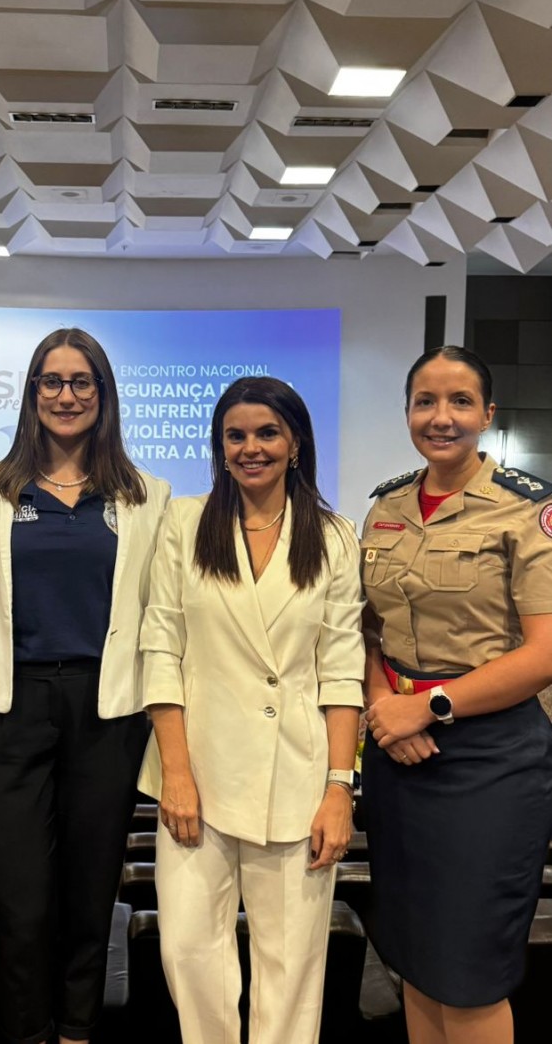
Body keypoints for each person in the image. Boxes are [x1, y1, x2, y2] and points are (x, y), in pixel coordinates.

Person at [0, 327, 170, 1044]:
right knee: (15, 900)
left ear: (102, 396)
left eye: (81, 382)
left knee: (89, 889)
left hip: (106, 710)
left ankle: (75, 1030)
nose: (65, 395)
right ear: (32, 393)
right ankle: (23, 1032)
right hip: (4, 711)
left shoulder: (146, 496)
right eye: (51, 380)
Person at [138, 376, 364, 1044]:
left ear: (295, 442)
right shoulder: (184, 522)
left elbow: (342, 674)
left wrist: (338, 788)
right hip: (196, 776)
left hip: (295, 778)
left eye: (266, 433)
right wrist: (174, 773)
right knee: (187, 952)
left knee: (291, 966)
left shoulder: (331, 536)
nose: (250, 447)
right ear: (218, 445)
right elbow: (160, 650)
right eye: (235, 435)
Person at [361, 345, 552, 1044]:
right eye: (425, 402)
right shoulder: (383, 505)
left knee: (467, 971)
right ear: (408, 411)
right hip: (397, 755)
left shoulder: (525, 510)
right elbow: (366, 632)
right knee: (413, 960)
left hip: (489, 758)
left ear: (486, 414)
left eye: (459, 402)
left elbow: (543, 654)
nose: (440, 417)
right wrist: (385, 707)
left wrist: (428, 706)